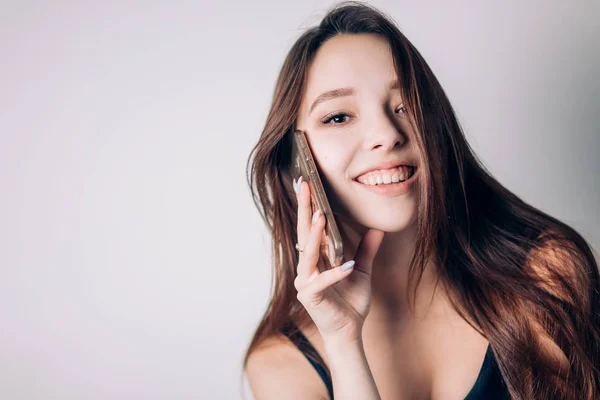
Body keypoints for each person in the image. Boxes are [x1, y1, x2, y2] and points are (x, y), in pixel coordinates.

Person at [242, 2, 600, 399]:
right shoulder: (279, 364)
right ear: (297, 159)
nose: (387, 133)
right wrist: (343, 341)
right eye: (339, 117)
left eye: (405, 104)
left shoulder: (545, 278)